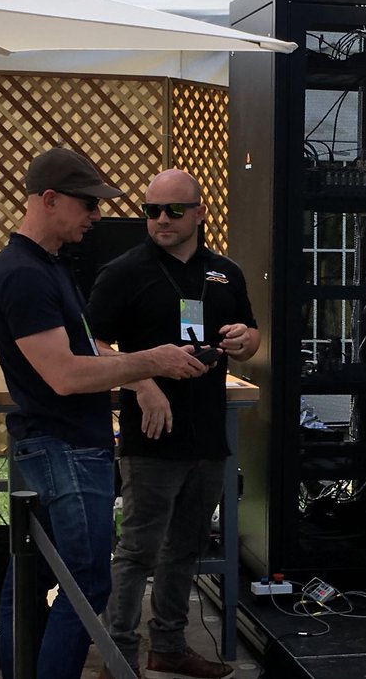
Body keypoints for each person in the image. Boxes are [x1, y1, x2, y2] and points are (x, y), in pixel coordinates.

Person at [0, 147, 211, 679]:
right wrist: (151, 361)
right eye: (88, 203)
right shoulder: (23, 275)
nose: (98, 214)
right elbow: (63, 374)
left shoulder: (45, 266)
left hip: (55, 441)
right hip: (63, 445)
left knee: (30, 578)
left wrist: (142, 378)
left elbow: (87, 347)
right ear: (49, 199)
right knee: (86, 583)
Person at [87, 170, 260, 679]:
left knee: (185, 546)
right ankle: (118, 653)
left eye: (173, 210)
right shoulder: (123, 271)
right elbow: (91, 343)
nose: (161, 219)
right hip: (152, 433)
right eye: (152, 210)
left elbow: (250, 332)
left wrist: (245, 340)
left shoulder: (224, 272)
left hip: (207, 430)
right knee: (138, 547)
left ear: (200, 213)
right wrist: (142, 381)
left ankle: (168, 646)